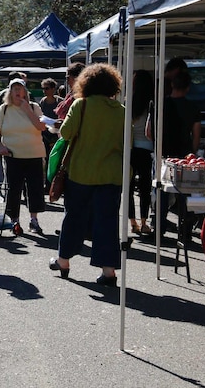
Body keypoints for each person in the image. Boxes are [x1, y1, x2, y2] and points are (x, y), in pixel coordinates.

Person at [49, 64, 124, 287]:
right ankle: (108, 271)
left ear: (85, 83)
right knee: (107, 222)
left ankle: (64, 261)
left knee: (74, 217)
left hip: (81, 172)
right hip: (111, 175)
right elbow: (126, 143)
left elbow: (66, 132)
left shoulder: (80, 105)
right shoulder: (121, 111)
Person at [0, 78, 48, 235]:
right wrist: (0, 146)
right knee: (14, 189)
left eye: (20, 88)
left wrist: (27, 109)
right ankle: (14, 220)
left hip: (34, 154)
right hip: (12, 155)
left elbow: (41, 127)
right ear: (9, 91)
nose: (17, 91)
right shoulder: (4, 109)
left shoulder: (34, 107)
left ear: (25, 91)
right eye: (14, 88)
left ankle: (33, 220)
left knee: (35, 188)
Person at [128, 70, 155, 236]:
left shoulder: (129, 103)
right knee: (145, 187)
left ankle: (132, 222)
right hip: (147, 149)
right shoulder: (153, 104)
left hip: (130, 148)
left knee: (129, 187)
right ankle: (144, 221)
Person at [160, 70, 201, 158]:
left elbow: (148, 132)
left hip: (163, 153)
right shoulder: (193, 108)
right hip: (185, 155)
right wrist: (192, 154)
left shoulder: (160, 105)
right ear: (188, 88)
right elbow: (196, 136)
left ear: (172, 84)